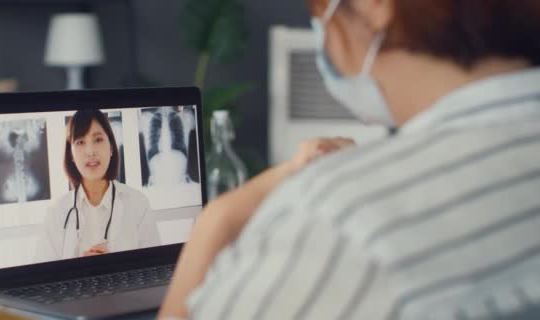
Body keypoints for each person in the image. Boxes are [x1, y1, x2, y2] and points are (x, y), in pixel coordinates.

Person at [159, 0, 540, 319]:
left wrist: (216, 220)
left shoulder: (341, 220)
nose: (324, 33)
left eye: (320, 12)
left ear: (373, 6)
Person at [35, 110, 155, 262]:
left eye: (98, 140)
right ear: (71, 154)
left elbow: (153, 266)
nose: (90, 152)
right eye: (80, 142)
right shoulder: (56, 214)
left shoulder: (138, 204)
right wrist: (81, 269)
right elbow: (45, 277)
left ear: (111, 147)